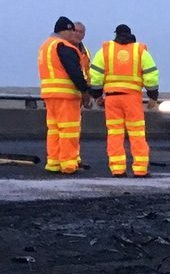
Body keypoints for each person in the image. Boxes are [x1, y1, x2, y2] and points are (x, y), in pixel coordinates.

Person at [88, 24, 160, 177]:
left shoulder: (105, 50)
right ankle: (140, 169)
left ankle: (117, 169)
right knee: (137, 133)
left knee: (114, 133)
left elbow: (95, 75)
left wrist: (97, 96)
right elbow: (151, 74)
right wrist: (153, 96)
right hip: (132, 98)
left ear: (116, 35)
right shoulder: (139, 50)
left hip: (112, 99)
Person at [37, 16, 92, 173]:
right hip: (66, 95)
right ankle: (68, 165)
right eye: (71, 31)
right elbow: (74, 72)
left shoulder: (46, 45)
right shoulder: (64, 46)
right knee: (69, 130)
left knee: (54, 130)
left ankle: (53, 163)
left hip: (50, 94)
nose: (73, 34)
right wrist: (85, 91)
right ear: (64, 31)